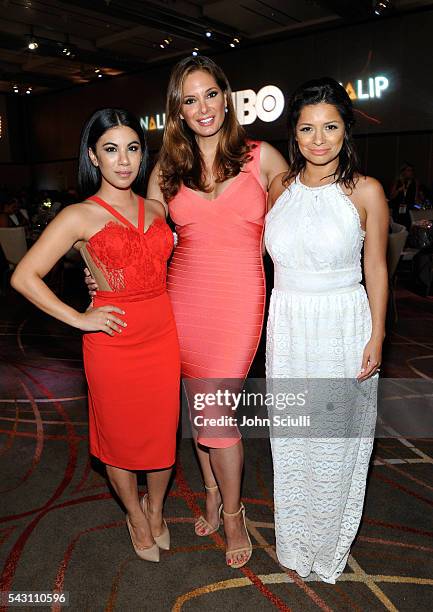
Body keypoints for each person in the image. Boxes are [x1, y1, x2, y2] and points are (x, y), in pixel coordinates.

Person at [11, 108, 180, 563]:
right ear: (93, 156)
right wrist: (79, 318)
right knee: (120, 437)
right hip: (113, 340)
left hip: (163, 334)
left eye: (132, 149)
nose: (123, 161)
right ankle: (134, 515)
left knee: (163, 434)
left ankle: (157, 509)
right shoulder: (78, 215)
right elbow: (25, 276)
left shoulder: (158, 209)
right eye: (111, 150)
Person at [148, 56, 288, 568]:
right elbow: (147, 237)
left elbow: (303, 217)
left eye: (210, 94)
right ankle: (209, 490)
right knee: (197, 405)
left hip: (238, 301)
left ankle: (234, 514)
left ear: (226, 97)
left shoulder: (262, 156)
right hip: (181, 298)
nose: (202, 107)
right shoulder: (167, 170)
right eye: (190, 99)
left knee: (217, 410)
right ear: (178, 111)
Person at [265, 77, 388, 582]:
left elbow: (377, 267)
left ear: (346, 131)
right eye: (308, 128)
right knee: (293, 438)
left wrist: (378, 335)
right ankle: (295, 546)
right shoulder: (279, 188)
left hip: (342, 324)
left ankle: (329, 549)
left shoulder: (366, 191)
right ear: (294, 134)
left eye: (330, 127)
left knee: (337, 442)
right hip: (289, 325)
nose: (319, 139)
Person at [389, 162, 420, 227]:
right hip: (397, 209)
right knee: (398, 227)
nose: (411, 172)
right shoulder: (397, 182)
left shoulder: (415, 182)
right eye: (408, 170)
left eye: (412, 170)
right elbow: (391, 197)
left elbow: (416, 198)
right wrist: (398, 190)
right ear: (403, 172)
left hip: (409, 209)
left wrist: (418, 207)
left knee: (407, 227)